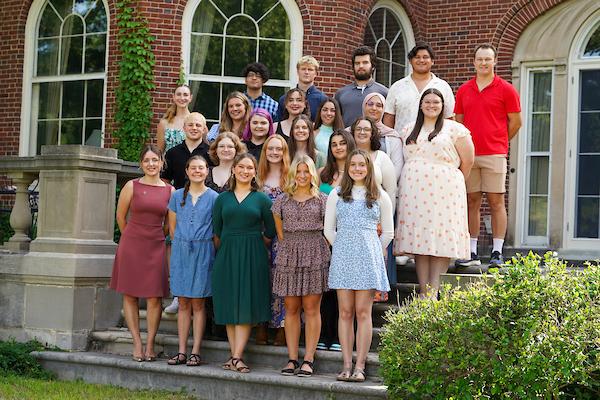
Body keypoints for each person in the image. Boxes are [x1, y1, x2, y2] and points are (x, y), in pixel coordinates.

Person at [394, 88, 475, 299]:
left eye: (436, 102)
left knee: (441, 239)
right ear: (420, 105)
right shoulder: (409, 129)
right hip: (414, 192)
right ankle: (424, 290)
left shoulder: (455, 129)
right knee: (421, 242)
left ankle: (435, 291)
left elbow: (468, 161)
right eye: (427, 101)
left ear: (443, 106)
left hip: (445, 191)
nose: (431, 105)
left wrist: (452, 180)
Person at [324, 149, 393, 382]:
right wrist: (344, 246)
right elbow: (328, 230)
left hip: (367, 259)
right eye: (352, 165)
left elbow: (389, 233)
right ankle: (345, 364)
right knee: (345, 312)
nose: (356, 169)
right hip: (343, 257)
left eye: (361, 165)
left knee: (363, 313)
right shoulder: (336, 194)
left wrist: (371, 247)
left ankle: (360, 365)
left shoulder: (380, 196)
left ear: (369, 168)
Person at [454, 44, 522, 267]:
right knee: (472, 201)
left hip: (495, 154)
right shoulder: (464, 90)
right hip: (470, 155)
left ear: (495, 62)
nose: (483, 63)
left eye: (488, 59)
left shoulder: (506, 89)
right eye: (480, 59)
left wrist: (500, 141)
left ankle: (496, 252)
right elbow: (459, 123)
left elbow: (516, 122)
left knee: (495, 202)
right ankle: (471, 251)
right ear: (474, 62)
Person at [212, 153, 277, 374]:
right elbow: (217, 231)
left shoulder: (262, 199)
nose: (245, 171)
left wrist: (254, 243)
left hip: (253, 253)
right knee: (230, 303)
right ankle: (235, 356)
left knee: (246, 303)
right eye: (241, 167)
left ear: (254, 172)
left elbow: (270, 230)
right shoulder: (223, 198)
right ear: (234, 169)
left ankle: (236, 356)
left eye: (249, 168)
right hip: (228, 253)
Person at [110, 144, 174, 362]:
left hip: (156, 245)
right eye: (146, 161)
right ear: (141, 164)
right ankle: (136, 342)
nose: (151, 164)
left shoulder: (169, 190)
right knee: (130, 294)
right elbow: (120, 216)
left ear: (161, 163)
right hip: (131, 245)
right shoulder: (131, 186)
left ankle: (150, 345)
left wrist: (156, 236)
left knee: (155, 297)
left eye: (155, 160)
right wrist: (131, 238)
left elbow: (168, 223)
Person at [272, 155, 330, 377]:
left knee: (312, 307)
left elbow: (328, 228)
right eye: (299, 171)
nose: (303, 176)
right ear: (292, 174)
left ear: (313, 173)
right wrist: (290, 250)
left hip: (315, 252)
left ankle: (309, 359)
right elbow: (279, 231)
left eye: (307, 171)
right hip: (289, 254)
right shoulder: (281, 201)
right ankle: (292, 357)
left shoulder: (322, 199)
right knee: (291, 308)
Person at [166, 156, 218, 367]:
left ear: (207, 171)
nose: (197, 171)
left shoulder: (214, 197)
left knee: (198, 302)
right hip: (181, 250)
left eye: (201, 168)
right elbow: (171, 228)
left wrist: (207, 249)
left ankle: (196, 350)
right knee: (183, 302)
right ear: (186, 171)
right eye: (193, 168)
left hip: (204, 250)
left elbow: (216, 231)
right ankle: (181, 351)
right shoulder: (177, 196)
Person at [316, 129, 355, 352]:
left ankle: (343, 337)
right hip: (324, 237)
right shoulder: (322, 174)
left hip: (349, 237)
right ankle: (325, 333)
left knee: (346, 288)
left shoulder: (358, 173)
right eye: (334, 144)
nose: (338, 147)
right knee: (327, 288)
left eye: (342, 143)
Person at [361, 92, 403, 286]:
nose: (374, 108)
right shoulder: (352, 132)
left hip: (380, 202)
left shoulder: (392, 137)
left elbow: (395, 171)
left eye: (379, 105)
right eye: (370, 104)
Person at [256, 134, 291, 346]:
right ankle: (261, 324)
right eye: (271, 149)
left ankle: (282, 327)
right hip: (259, 236)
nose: (275, 152)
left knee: (281, 282)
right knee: (262, 281)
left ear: (284, 152)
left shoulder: (290, 177)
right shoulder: (258, 177)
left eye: (279, 149)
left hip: (283, 238)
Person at [383, 43, 455, 135]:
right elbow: (389, 118)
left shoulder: (443, 86)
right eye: (417, 57)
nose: (421, 60)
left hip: (435, 144)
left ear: (432, 61)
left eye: (425, 57)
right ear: (410, 61)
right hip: (402, 144)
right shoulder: (397, 87)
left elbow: (449, 118)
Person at [335, 46, 388, 127]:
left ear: (373, 66)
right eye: (357, 63)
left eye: (365, 62)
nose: (361, 66)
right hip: (346, 138)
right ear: (353, 67)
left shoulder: (384, 92)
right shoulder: (341, 93)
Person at [350, 117, 397, 209]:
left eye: (366, 129)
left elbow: (391, 191)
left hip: (376, 213)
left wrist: (388, 219)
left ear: (372, 134)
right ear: (353, 133)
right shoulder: (347, 156)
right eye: (358, 129)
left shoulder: (382, 157)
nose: (362, 132)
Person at [162, 112, 211, 190]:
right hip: (178, 198)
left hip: (204, 199)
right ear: (184, 128)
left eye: (198, 125)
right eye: (190, 125)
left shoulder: (211, 153)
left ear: (204, 129)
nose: (194, 128)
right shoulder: (172, 153)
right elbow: (165, 179)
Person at [277, 56, 328, 122]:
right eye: (303, 69)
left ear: (315, 73)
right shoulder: (285, 99)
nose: (306, 72)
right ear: (298, 72)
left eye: (310, 69)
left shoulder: (323, 100)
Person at [157, 85, 192, 152]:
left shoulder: (197, 122)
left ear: (190, 98)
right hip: (169, 162)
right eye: (178, 94)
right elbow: (160, 152)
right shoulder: (164, 123)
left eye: (185, 95)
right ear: (174, 97)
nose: (182, 98)